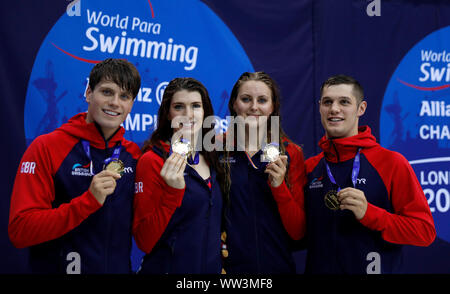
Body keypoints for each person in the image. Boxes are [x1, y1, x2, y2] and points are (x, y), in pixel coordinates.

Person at [8, 58, 142, 273]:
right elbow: (20, 230)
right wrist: (87, 202)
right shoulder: (47, 147)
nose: (115, 102)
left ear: (131, 104)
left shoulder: (134, 156)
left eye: (124, 96)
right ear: (89, 92)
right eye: (107, 92)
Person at [303, 74, 436, 273]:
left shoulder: (391, 163)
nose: (334, 109)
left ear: (361, 108)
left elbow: (424, 232)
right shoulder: (310, 167)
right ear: (320, 106)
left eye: (344, 102)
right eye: (327, 102)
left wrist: (371, 214)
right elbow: (296, 234)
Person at [133, 77, 229, 274]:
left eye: (195, 106)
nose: (188, 114)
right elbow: (144, 240)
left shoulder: (213, 159)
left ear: (205, 113)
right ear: (168, 114)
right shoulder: (152, 161)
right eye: (179, 107)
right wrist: (172, 194)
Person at [222, 71, 306, 273]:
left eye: (262, 100)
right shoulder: (217, 149)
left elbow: (298, 232)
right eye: (246, 99)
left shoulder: (291, 153)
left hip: (278, 268)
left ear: (272, 107)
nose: (254, 107)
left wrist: (279, 187)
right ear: (234, 104)